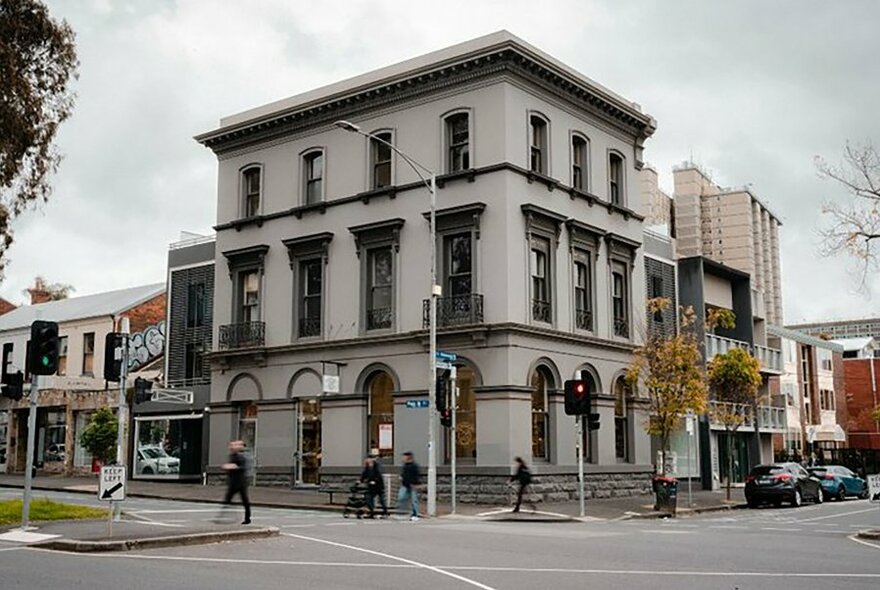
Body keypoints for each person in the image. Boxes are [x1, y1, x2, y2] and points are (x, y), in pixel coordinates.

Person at [222, 440, 251, 524]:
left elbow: (243, 467)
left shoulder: (242, 456)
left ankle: (247, 518)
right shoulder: (232, 456)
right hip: (234, 482)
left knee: (245, 500)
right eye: (231, 446)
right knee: (227, 499)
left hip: (241, 483)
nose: (231, 447)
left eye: (233, 445)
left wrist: (234, 467)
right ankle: (224, 516)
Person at [397, 451, 421, 521]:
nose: (403, 458)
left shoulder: (414, 466)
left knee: (414, 500)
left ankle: (415, 514)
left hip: (412, 485)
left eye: (404, 457)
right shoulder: (405, 466)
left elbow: (416, 476)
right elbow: (404, 475)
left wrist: (416, 484)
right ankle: (402, 512)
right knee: (401, 498)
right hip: (405, 485)